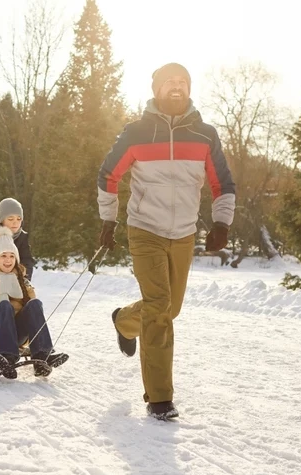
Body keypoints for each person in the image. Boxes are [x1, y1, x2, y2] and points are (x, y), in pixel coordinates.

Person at [95, 62, 236, 420]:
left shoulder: (205, 135)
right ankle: (160, 398)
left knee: (170, 309)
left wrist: (222, 222)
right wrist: (108, 219)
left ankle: (125, 320)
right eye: (169, 82)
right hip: (145, 229)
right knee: (159, 309)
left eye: (183, 82)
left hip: (184, 232)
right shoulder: (136, 133)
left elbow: (223, 183)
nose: (177, 87)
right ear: (156, 88)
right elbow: (109, 175)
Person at [0, 226, 69, 379]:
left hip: (17, 334)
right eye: (3, 255)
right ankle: (6, 357)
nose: (8, 260)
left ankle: (42, 357)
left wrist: (31, 345)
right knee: (5, 306)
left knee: (35, 304)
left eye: (12, 256)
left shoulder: (24, 284)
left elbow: (34, 317)